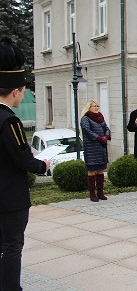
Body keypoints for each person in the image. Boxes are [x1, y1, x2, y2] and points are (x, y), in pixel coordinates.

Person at [0, 36, 50, 291]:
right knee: (12, 246)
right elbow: (23, 159)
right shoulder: (9, 121)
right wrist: (43, 166)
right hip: (9, 198)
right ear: (16, 91)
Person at [80, 100, 111, 202]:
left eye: (97, 106)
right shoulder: (85, 119)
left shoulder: (100, 117)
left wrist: (106, 136)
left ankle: (100, 192)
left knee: (101, 170)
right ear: (89, 108)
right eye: (94, 106)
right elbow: (88, 131)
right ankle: (92, 194)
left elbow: (106, 128)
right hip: (91, 148)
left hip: (101, 147)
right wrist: (98, 138)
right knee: (92, 171)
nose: (96, 108)